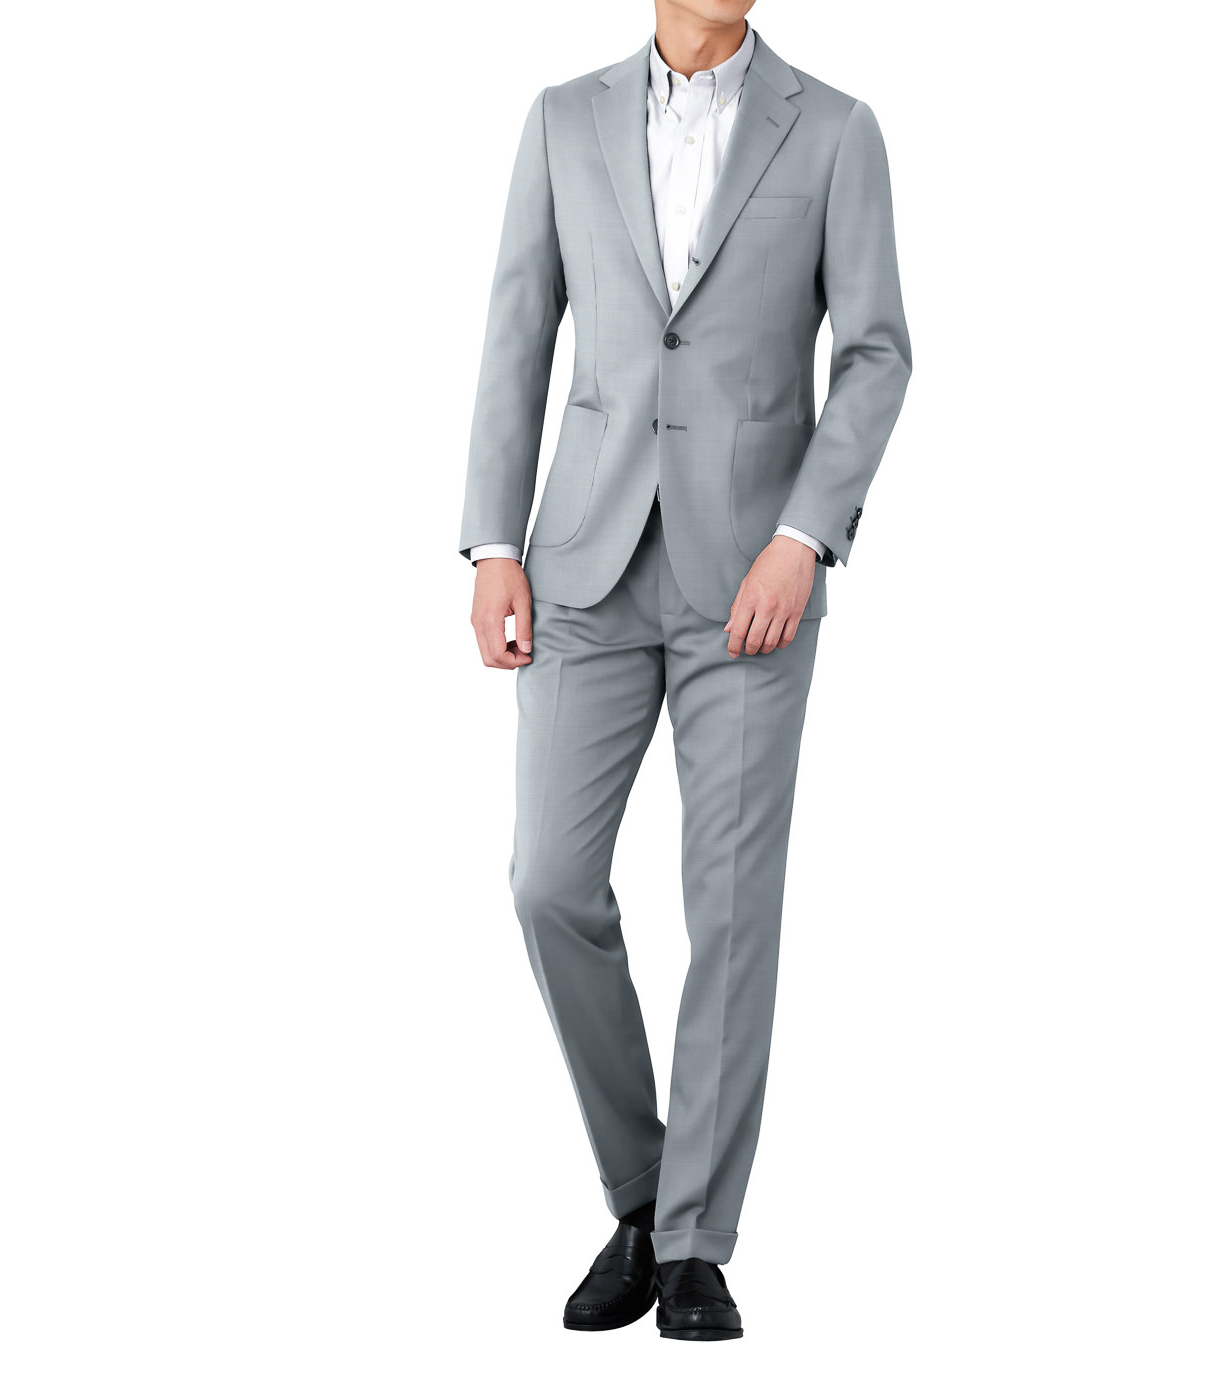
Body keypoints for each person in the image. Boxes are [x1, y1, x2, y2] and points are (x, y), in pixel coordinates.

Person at [459, 2, 910, 1341]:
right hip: (581, 562)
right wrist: (493, 543)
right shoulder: (562, 121)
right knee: (547, 881)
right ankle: (650, 1190)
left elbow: (877, 352)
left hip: (752, 586)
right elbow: (517, 332)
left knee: (730, 907)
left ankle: (697, 1243)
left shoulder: (836, 131)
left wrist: (804, 537)